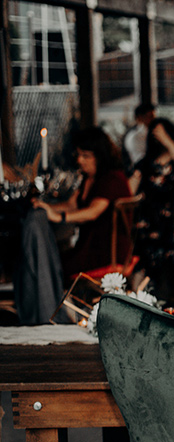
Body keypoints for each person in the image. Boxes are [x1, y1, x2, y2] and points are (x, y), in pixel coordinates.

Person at [18, 127, 131, 324]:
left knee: (48, 261)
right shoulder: (89, 179)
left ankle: (50, 311)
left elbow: (92, 212)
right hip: (88, 247)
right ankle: (46, 309)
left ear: (100, 156)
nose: (80, 161)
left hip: (105, 253)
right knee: (39, 255)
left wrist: (58, 217)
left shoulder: (112, 179)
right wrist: (47, 208)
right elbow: (72, 204)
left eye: (86, 156)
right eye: (78, 155)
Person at [129, 118, 174, 298]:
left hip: (170, 227)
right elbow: (129, 192)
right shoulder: (144, 164)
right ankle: (143, 294)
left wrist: (169, 143)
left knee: (166, 255)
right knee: (143, 250)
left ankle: (166, 295)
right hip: (145, 225)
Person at [122, 102, 156, 170]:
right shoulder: (134, 137)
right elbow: (139, 162)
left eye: (154, 117)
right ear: (139, 118)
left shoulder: (153, 133)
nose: (153, 120)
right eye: (150, 117)